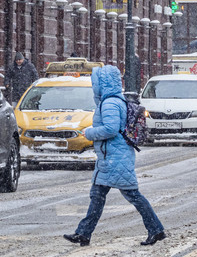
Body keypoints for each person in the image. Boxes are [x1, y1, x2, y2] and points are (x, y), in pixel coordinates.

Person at [63, 65, 165, 247]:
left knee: (133, 195)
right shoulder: (114, 100)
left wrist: (90, 133)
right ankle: (83, 233)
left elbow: (110, 129)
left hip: (114, 157)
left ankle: (156, 229)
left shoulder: (110, 103)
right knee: (97, 195)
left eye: (95, 83)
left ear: (103, 84)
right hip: (110, 156)